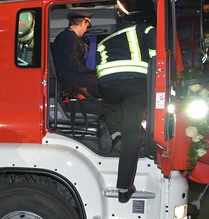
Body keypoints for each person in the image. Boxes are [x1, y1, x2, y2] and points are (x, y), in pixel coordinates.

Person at [96, 15, 156, 203]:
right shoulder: (144, 29)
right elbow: (157, 55)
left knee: (111, 104)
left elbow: (98, 66)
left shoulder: (104, 41)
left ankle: (116, 135)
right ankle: (124, 188)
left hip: (107, 85)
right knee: (133, 130)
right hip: (136, 83)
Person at [51, 11, 101, 97]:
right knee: (102, 85)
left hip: (73, 76)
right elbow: (72, 64)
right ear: (82, 23)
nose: (86, 30)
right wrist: (93, 72)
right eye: (86, 26)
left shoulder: (71, 37)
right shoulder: (68, 37)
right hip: (70, 78)